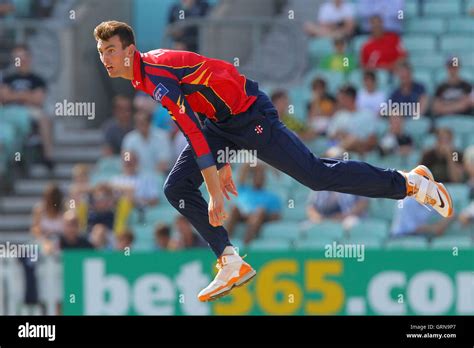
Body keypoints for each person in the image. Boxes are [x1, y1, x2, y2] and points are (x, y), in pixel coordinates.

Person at [93, 20, 453, 302]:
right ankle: (230, 260)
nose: (106, 58)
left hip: (251, 116)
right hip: (222, 122)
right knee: (176, 187)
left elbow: (191, 130)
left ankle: (410, 183)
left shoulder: (154, 74)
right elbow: (202, 110)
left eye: (111, 49)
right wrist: (221, 160)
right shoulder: (144, 75)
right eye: (101, 52)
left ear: (130, 50)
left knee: (315, 175)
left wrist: (216, 189)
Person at [0, 44, 54, 169]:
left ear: (29, 58)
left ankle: (48, 156)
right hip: (10, 111)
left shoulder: (37, 79)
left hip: (30, 110)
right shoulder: (8, 78)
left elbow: (38, 100)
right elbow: (4, 97)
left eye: (22, 56)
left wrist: (15, 95)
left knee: (43, 119)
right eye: (17, 57)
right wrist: (27, 95)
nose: (20, 60)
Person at [226, 164, 281, 245]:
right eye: (256, 175)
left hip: (259, 217)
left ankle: (246, 244)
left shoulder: (272, 197)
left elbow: (276, 216)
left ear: (264, 178)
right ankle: (225, 242)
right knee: (234, 208)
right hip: (242, 215)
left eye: (261, 175)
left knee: (259, 211)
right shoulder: (243, 189)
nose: (258, 178)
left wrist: (262, 213)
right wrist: (258, 166)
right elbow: (244, 168)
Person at [122, 111, 172, 175]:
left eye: (142, 122)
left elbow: (164, 162)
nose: (140, 125)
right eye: (137, 122)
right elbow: (126, 157)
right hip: (136, 177)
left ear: (149, 122)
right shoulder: (129, 138)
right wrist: (129, 159)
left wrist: (151, 177)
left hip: (158, 177)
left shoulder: (162, 137)